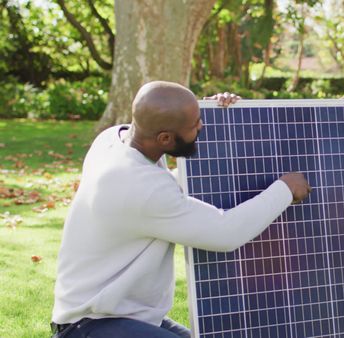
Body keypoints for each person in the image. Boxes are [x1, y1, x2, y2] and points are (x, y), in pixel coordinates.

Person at [50, 81, 312, 337]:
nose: (202, 127)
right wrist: (284, 190)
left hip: (126, 314)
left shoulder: (113, 139)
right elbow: (225, 232)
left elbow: (176, 179)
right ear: (165, 138)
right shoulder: (139, 186)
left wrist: (216, 116)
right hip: (89, 324)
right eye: (195, 125)